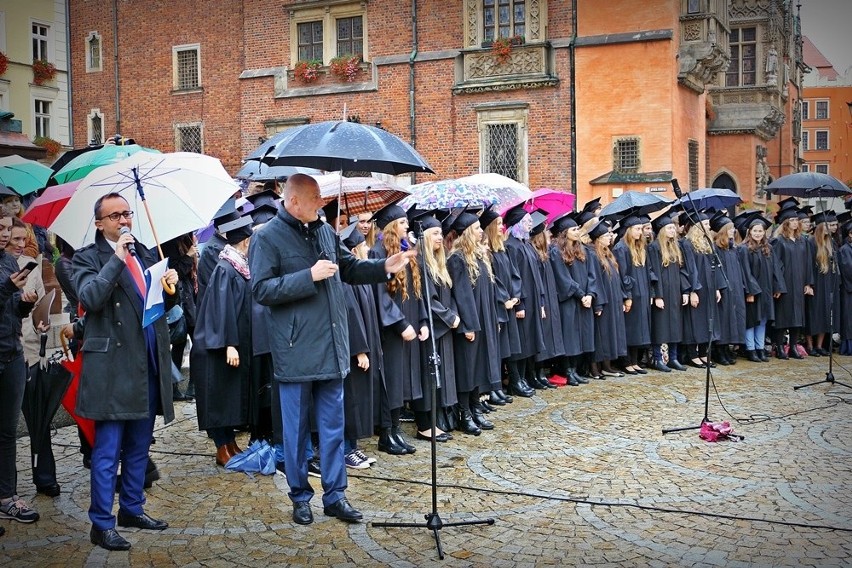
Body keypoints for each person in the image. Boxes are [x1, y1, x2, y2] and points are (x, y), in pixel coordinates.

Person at [249, 174, 415, 526]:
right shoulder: (267, 238)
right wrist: (307, 276)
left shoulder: (324, 231)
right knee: (295, 432)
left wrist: (384, 267)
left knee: (334, 427)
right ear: (293, 201)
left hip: (332, 345)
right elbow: (261, 290)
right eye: (314, 198)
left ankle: (336, 495)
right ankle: (299, 496)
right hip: (295, 350)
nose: (321, 203)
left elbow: (349, 268)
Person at [72, 192, 179, 551]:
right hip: (113, 368)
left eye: (127, 214)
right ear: (99, 223)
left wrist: (170, 290)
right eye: (114, 216)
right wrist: (116, 259)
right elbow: (90, 299)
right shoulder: (86, 258)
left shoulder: (146, 252)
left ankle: (132, 508)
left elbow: (155, 306)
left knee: (139, 446)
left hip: (147, 361)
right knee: (107, 450)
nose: (123, 221)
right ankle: (101, 523)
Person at [192, 214, 253, 467]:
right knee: (218, 399)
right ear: (246, 242)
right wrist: (229, 343)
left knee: (227, 398)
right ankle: (222, 447)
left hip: (227, 346)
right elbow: (221, 307)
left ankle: (229, 444)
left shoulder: (235, 265)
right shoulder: (225, 268)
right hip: (216, 348)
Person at [370, 202, 428, 456]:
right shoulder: (377, 253)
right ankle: (386, 433)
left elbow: (418, 292)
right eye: (403, 222)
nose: (408, 226)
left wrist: (423, 321)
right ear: (392, 225)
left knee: (401, 381)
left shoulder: (406, 251)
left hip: (409, 326)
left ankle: (395, 429)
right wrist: (400, 323)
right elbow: (379, 295)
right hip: (390, 330)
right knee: (390, 381)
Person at [0, 212, 39, 527]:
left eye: (6, 228)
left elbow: (11, 312)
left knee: (7, 432)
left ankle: (7, 496)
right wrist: (5, 291)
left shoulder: (9, 263)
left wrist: (25, 302)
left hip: (11, 353)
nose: (3, 234)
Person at [548, 212, 596, 385]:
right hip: (568, 300)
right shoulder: (556, 251)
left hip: (584, 300)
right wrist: (581, 294)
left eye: (577, 228)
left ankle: (575, 369)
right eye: (573, 229)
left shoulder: (582, 249)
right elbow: (562, 278)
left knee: (582, 336)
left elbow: (592, 275)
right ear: (564, 232)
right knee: (570, 336)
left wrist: (590, 294)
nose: (577, 231)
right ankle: (567, 370)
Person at [738, 213, 785, 362]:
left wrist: (777, 288)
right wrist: (750, 291)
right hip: (753, 292)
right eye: (755, 231)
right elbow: (745, 272)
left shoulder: (768, 248)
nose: (758, 233)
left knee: (763, 320)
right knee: (752, 320)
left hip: (766, 291)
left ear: (764, 232)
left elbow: (776, 269)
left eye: (760, 231)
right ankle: (750, 349)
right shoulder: (744, 249)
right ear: (749, 232)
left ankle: (760, 348)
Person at [646, 214, 689, 371]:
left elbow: (682, 270)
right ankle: (657, 358)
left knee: (675, 325)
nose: (673, 230)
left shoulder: (675, 246)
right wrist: (657, 295)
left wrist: (685, 291)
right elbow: (653, 272)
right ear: (662, 230)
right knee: (660, 326)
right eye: (670, 228)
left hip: (675, 291)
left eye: (673, 227)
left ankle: (673, 357)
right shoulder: (654, 247)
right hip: (663, 292)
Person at [162, 232, 198, 401]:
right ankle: (175, 386)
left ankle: (190, 384)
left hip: (189, 298)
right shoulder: (169, 244)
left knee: (189, 342)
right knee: (180, 341)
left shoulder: (187, 239)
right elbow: (175, 273)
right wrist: (189, 256)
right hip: (179, 301)